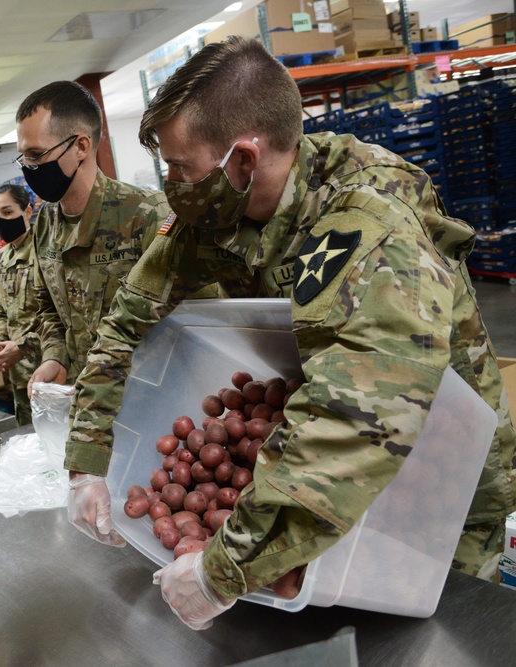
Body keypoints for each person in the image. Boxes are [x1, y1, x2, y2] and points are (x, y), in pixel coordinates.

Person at [65, 36, 516, 629]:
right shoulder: (213, 215)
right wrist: (88, 460)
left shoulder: (371, 223)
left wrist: (222, 568)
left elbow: (356, 421)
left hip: (434, 483)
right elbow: (127, 324)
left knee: (434, 635)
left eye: (180, 167)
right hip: (310, 481)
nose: (170, 183)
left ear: (244, 160)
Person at [14, 81, 175, 544]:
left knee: (158, 530)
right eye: (24, 158)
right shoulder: (43, 224)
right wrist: (54, 355)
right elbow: (47, 304)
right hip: (87, 413)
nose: (30, 168)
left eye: (38, 155)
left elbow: (187, 322)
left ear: (81, 146)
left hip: (153, 412)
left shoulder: (145, 216)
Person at [0, 183, 41, 425]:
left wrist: (23, 346)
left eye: (7, 213)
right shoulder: (1, 258)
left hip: (52, 368)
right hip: (19, 374)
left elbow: (65, 314)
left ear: (27, 212)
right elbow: (1, 313)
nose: (0, 220)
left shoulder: (46, 251)